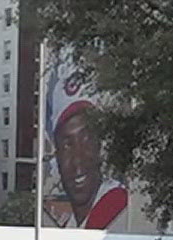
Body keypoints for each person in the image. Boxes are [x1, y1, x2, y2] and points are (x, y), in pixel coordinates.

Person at [46, 55, 129, 230]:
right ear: (56, 154)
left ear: (100, 144)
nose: (78, 160)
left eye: (87, 139)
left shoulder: (114, 202)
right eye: (67, 144)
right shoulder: (67, 222)